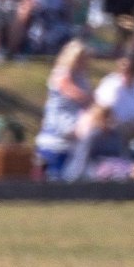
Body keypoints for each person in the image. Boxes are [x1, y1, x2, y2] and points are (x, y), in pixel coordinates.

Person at [34, 42, 95, 178]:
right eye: (81, 58)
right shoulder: (61, 73)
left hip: (74, 129)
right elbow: (75, 93)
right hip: (60, 124)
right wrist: (94, 101)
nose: (84, 62)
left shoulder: (82, 76)